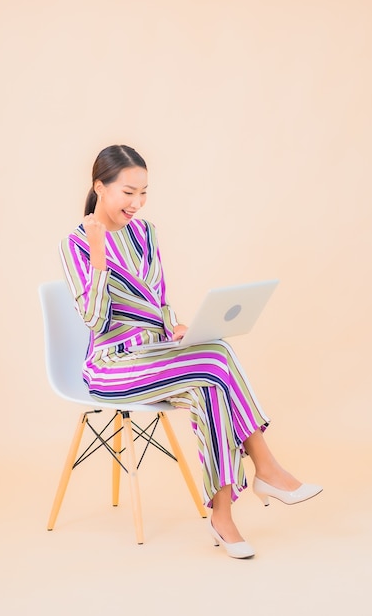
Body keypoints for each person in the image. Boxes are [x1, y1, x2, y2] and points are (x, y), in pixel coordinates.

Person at [60, 144, 322, 559]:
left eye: (144, 192)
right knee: (216, 355)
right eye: (128, 192)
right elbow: (94, 320)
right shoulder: (76, 243)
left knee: (209, 383)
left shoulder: (146, 233)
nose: (137, 202)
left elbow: (160, 299)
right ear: (100, 187)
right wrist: (97, 252)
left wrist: (177, 328)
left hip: (156, 355)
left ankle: (223, 517)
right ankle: (267, 469)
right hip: (111, 365)